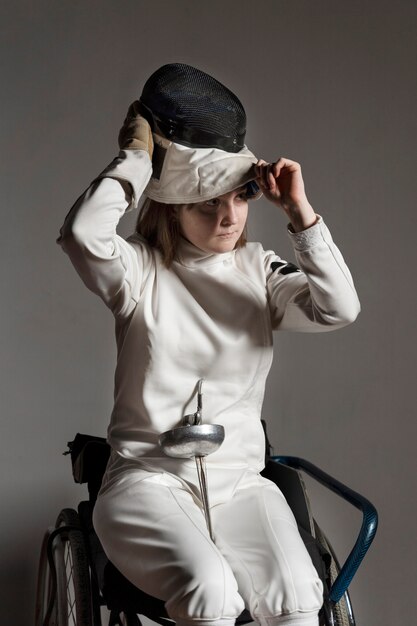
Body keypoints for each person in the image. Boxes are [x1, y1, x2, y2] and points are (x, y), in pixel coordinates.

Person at [58, 64, 360, 626]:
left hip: (240, 485)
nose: (228, 216)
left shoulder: (258, 271)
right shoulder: (139, 271)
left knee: (298, 595)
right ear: (172, 205)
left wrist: (300, 215)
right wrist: (136, 158)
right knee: (210, 591)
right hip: (147, 481)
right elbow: (83, 235)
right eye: (206, 203)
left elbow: (339, 307)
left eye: (240, 196)